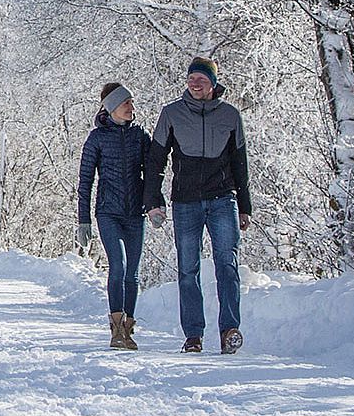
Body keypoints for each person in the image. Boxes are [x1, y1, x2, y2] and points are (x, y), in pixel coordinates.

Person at [147, 57, 254, 354]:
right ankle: (193, 335)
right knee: (188, 269)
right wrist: (153, 201)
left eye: (201, 80)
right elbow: (156, 161)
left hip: (223, 199)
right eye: (191, 79)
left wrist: (245, 206)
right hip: (186, 202)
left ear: (213, 84)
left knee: (228, 265)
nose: (195, 84)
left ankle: (229, 330)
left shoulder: (231, 116)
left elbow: (240, 163)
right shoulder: (171, 114)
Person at [76, 82, 160, 350]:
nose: (131, 108)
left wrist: (155, 205)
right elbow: (85, 181)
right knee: (119, 266)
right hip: (108, 213)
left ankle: (128, 329)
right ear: (112, 108)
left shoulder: (140, 136)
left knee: (132, 273)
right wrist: (84, 219)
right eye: (126, 104)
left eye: (132, 103)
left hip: (135, 213)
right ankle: (115, 328)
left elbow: (153, 174)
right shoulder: (97, 138)